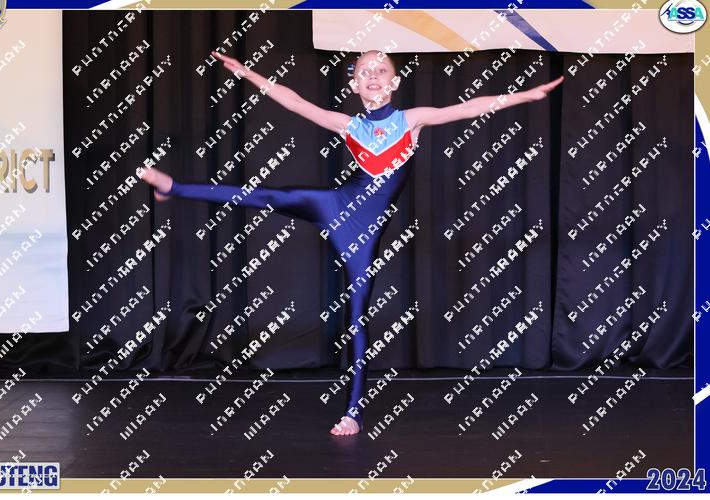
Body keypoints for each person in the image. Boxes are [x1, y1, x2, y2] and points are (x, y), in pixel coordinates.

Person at [139, 48, 564, 436]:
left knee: (357, 316)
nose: (373, 75)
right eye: (364, 71)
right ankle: (173, 187)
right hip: (337, 205)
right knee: (272, 195)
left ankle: (353, 413)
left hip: (365, 231)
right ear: (354, 84)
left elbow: (467, 108)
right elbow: (295, 102)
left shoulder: (410, 120)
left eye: (381, 70)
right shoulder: (348, 125)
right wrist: (250, 74)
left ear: (394, 82)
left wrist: (525, 96)